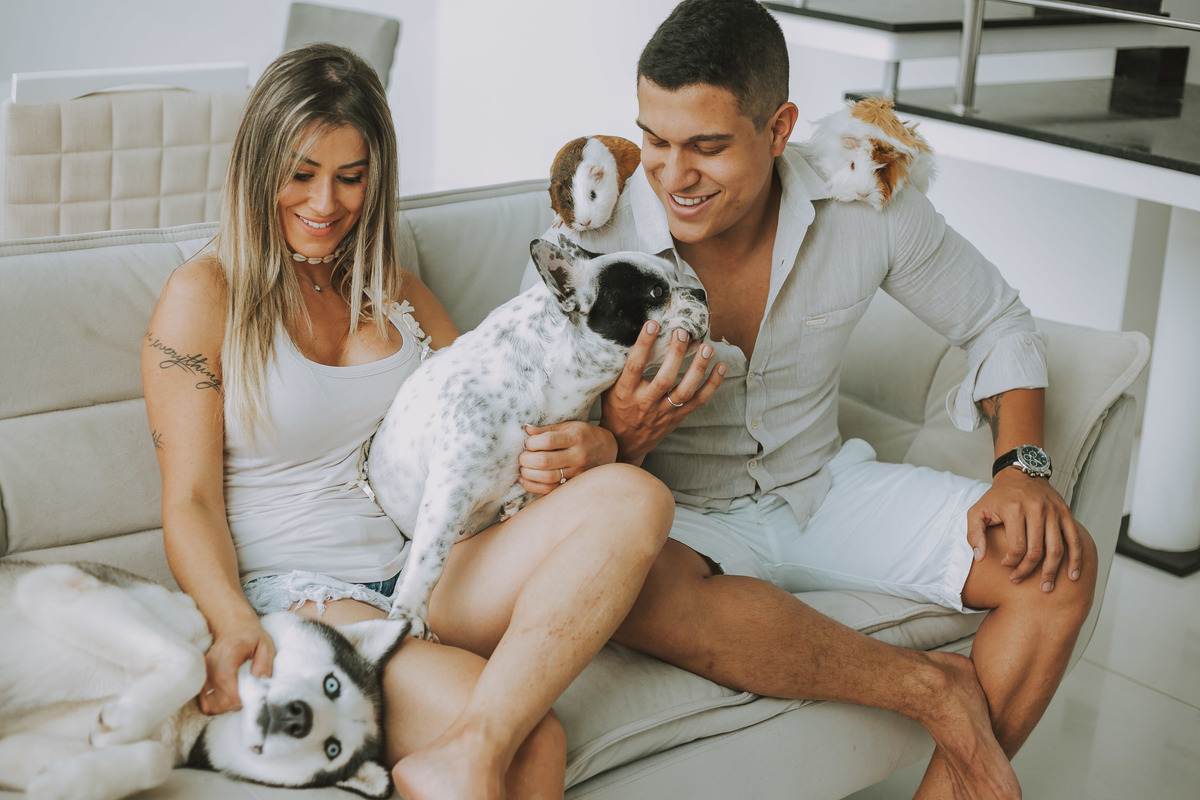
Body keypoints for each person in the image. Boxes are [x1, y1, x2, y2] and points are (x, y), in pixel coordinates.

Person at [520, 1, 1097, 797]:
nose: (673, 177)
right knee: (613, 585)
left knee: (1056, 567)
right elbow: (535, 438)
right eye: (654, 140)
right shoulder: (589, 238)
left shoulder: (865, 202)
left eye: (707, 147)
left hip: (821, 490)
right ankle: (934, 689)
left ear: (779, 129)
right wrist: (620, 431)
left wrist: (1022, 469)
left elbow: (996, 320)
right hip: (674, 517)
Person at [142, 43, 673, 800]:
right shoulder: (204, 294)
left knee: (634, 495)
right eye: (301, 174)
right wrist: (232, 623)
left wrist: (592, 442)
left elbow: (493, 431)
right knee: (532, 746)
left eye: (350, 177)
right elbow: (189, 501)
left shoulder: (399, 292)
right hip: (304, 589)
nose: (325, 203)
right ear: (257, 168)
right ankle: (467, 755)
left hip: (431, 563)